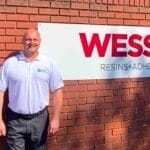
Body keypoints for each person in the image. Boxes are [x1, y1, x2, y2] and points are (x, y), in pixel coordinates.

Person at [0, 28, 64, 150]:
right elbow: (0, 91)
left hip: (40, 120)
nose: (32, 42)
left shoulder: (49, 63)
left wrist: (56, 118)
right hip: (15, 119)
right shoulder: (10, 63)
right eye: (28, 39)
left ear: (40, 42)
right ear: (22, 41)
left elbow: (58, 91)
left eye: (35, 39)